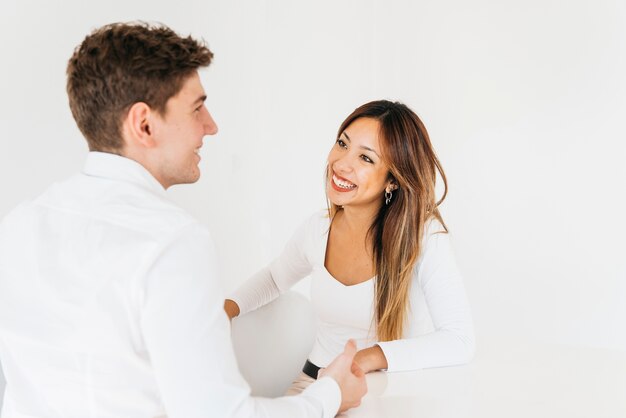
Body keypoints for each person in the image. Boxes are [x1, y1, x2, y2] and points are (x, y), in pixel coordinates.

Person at [0, 22, 366, 418]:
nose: (211, 125)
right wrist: (330, 393)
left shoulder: (19, 224)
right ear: (144, 124)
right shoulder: (171, 242)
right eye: (196, 108)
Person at [225, 100, 475, 393]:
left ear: (392, 180)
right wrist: (224, 312)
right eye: (342, 144)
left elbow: (459, 340)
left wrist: (365, 358)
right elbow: (274, 278)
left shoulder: (425, 238)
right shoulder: (318, 228)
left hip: (383, 395)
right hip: (312, 385)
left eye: (366, 159)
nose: (342, 164)